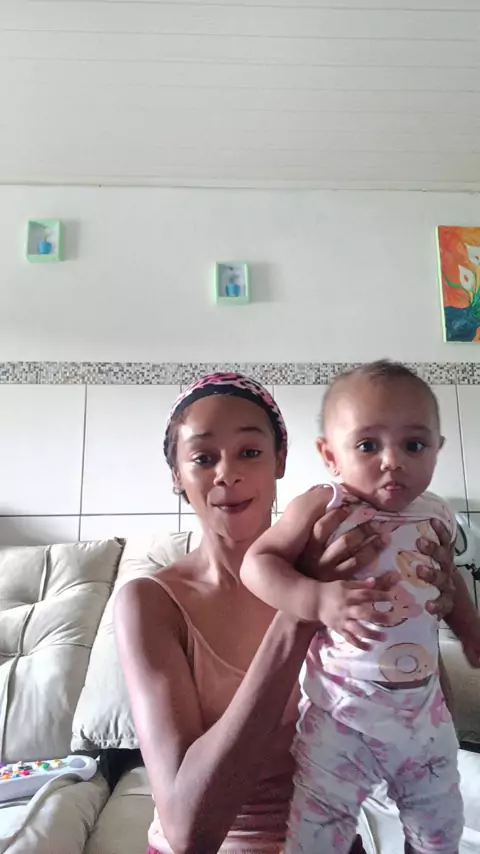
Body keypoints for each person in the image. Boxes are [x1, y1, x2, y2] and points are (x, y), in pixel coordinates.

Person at [114, 372, 458, 854]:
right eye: (203, 458)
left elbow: (433, 716)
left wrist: (428, 607)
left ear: (280, 461)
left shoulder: (347, 557)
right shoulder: (148, 602)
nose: (227, 474)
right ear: (176, 473)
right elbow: (190, 832)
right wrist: (302, 611)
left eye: (250, 452)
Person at [241, 361, 480, 854]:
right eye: (368, 445)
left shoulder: (437, 512)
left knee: (440, 830)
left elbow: (448, 579)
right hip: (340, 718)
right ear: (331, 456)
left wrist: (471, 630)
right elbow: (257, 564)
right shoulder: (324, 504)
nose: (393, 461)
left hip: (424, 718)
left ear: (437, 449)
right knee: (317, 835)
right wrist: (316, 598)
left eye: (414, 445)